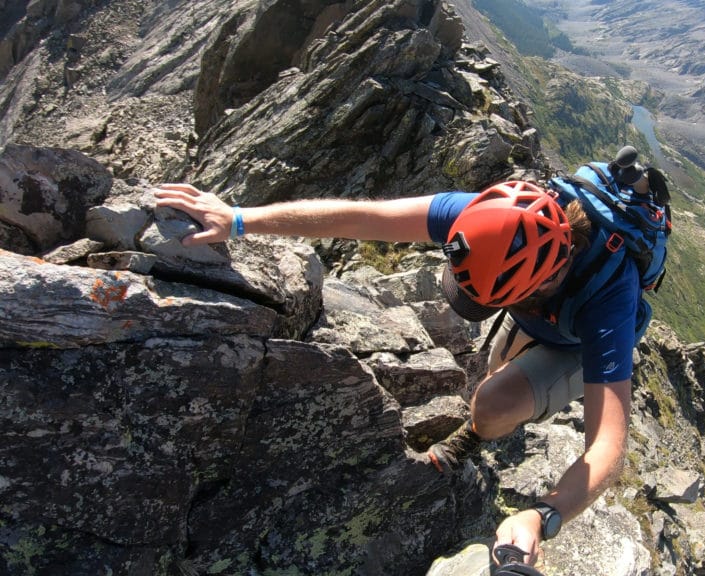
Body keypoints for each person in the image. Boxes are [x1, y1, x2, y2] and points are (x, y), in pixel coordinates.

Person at [154, 167, 655, 566]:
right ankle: (494, 407)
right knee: (494, 371)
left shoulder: (607, 306)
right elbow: (361, 217)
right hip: (542, 314)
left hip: (575, 341)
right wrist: (240, 219)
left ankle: (475, 435)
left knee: (495, 402)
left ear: (536, 288)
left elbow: (607, 444)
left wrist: (542, 515)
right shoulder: (483, 216)